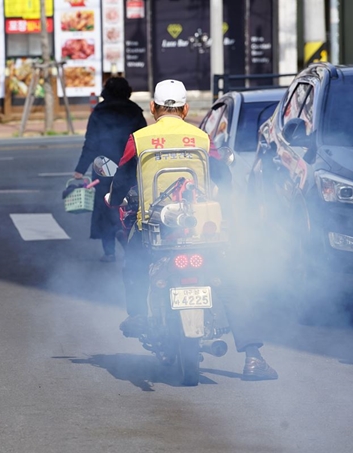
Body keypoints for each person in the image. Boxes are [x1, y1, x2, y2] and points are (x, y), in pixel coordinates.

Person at [108, 79, 278, 381]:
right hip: (200, 229)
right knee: (231, 282)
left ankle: (137, 316)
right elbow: (223, 178)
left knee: (133, 266)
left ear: (153, 108)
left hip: (153, 228)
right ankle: (253, 357)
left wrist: (113, 200)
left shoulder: (140, 138)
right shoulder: (200, 137)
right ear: (185, 109)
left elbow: (121, 180)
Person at [74, 77, 147, 262]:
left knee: (106, 208)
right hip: (129, 166)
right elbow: (142, 139)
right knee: (130, 205)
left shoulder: (99, 112)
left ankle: (109, 252)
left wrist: (80, 169)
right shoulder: (134, 111)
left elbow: (91, 142)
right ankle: (131, 244)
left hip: (103, 166)